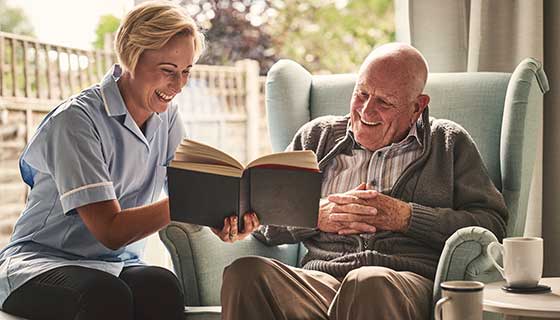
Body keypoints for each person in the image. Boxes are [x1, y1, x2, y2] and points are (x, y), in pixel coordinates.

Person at [0, 2, 258, 319]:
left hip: (114, 265)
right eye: (167, 71)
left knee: (162, 286)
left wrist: (222, 217)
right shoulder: (76, 122)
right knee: (103, 296)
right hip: (40, 263)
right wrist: (190, 200)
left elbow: (185, 192)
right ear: (131, 57)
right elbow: (110, 230)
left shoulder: (167, 118)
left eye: (186, 72)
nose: (178, 86)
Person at [220, 43, 508, 320]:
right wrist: (314, 215)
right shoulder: (315, 138)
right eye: (362, 93)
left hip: (403, 284)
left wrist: (405, 217)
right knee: (245, 274)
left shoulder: (448, 143)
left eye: (384, 102)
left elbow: (491, 225)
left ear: (417, 106)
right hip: (322, 281)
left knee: (368, 282)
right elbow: (263, 223)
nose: (366, 110)